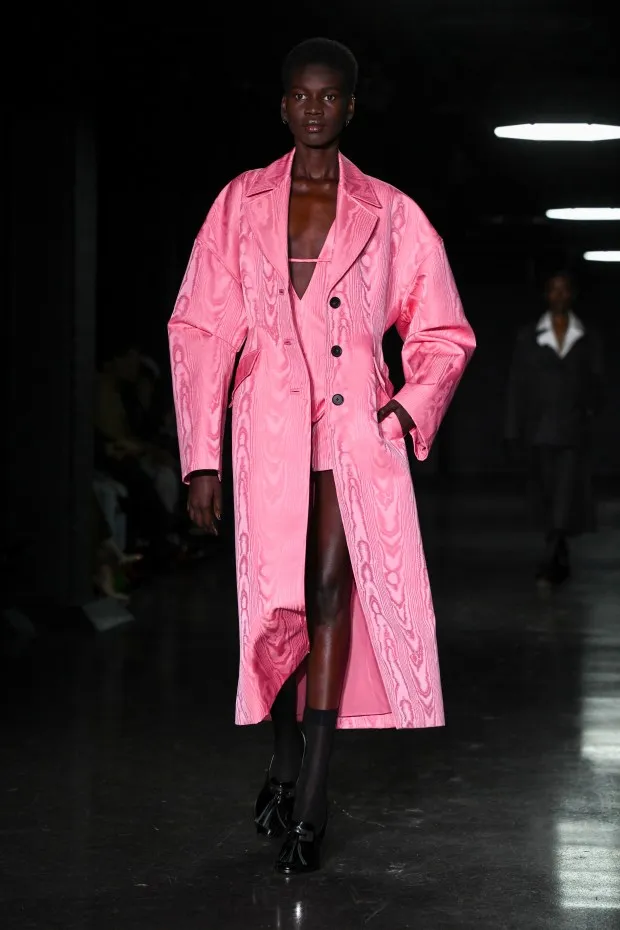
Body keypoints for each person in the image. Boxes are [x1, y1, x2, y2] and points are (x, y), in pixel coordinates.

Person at [168, 38, 475, 874]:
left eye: (329, 97)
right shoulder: (240, 204)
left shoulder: (392, 213)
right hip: (266, 428)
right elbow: (199, 328)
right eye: (300, 96)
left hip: (350, 433)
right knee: (281, 601)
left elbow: (443, 329)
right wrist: (201, 460)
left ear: (349, 107)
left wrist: (405, 406)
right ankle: (283, 753)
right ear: (283, 107)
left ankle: (314, 795)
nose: (314, 109)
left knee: (333, 591)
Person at [504, 272, 605, 585]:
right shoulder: (529, 336)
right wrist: (512, 428)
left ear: (572, 294)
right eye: (553, 290)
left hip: (573, 430)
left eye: (564, 290)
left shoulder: (586, 337)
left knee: (565, 492)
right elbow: (516, 385)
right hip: (538, 430)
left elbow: (598, 383)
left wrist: (590, 413)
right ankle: (559, 548)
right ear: (546, 294)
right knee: (548, 493)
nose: (559, 295)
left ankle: (550, 557)